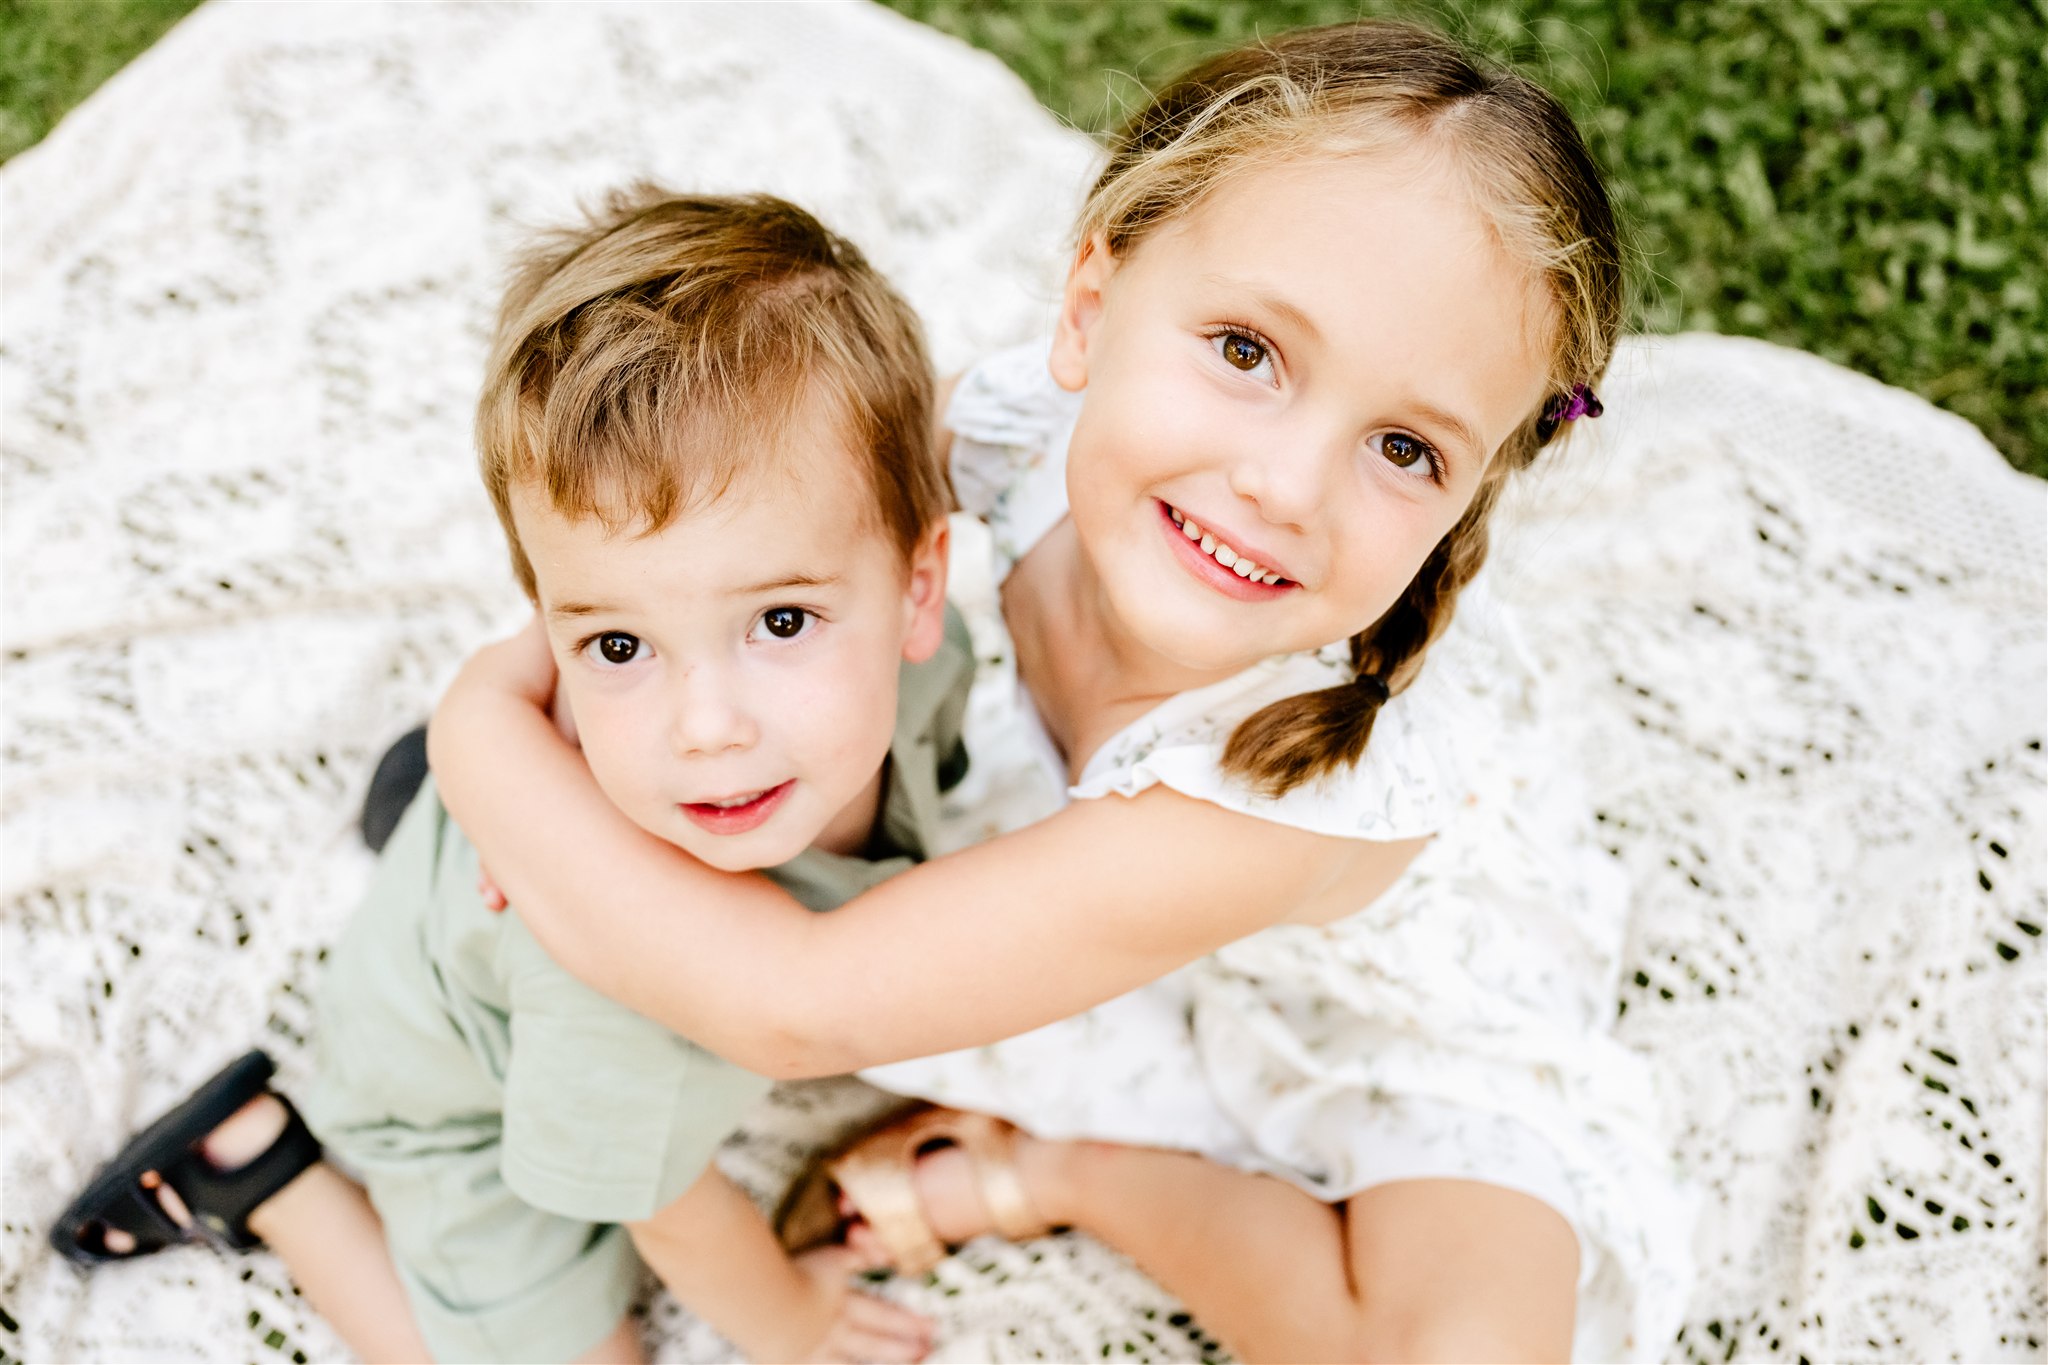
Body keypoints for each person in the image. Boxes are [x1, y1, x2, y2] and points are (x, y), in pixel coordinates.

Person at [429, 21, 1695, 1363]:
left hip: (1373, 1003)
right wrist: (560, 684)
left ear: (1465, 495)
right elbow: (736, 535)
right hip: (1125, 895)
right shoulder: (1027, 423)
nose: (1284, 486)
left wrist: (484, 741)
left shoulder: (1293, 784)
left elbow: (795, 1003)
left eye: (1402, 447)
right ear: (1091, 306)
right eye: (1249, 352)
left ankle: (1067, 1170)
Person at [47, 187, 962, 1365]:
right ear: (550, 628)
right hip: (454, 1116)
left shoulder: (938, 668)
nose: (705, 727)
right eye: (616, 647)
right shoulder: (612, 972)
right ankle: (254, 1165)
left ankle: (427, 810)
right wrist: (787, 1320)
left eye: (781, 620)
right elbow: (664, 1205)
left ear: (917, 591)